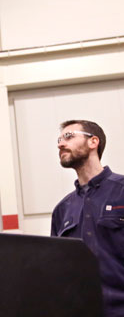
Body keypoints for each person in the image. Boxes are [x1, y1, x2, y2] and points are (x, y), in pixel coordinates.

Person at [52, 120, 124, 317]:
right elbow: (58, 269)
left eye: (69, 136)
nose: (60, 144)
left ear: (93, 142)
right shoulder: (62, 210)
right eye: (59, 139)